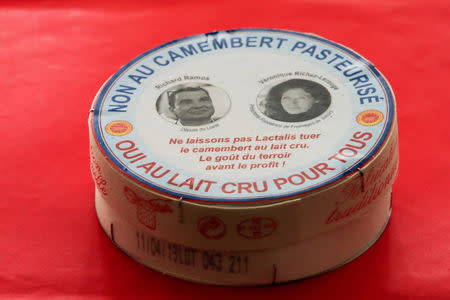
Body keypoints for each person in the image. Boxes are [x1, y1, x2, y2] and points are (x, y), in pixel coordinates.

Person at [263, 79, 331, 122]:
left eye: (301, 98)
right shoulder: (273, 119)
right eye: (286, 98)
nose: (292, 103)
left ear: (317, 99)